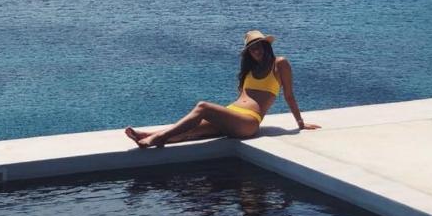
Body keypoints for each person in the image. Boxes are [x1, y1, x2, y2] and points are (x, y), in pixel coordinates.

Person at [125, 30, 320, 148]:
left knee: (203, 106)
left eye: (259, 46)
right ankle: (147, 135)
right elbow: (241, 97)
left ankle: (156, 138)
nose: (257, 51)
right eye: (252, 49)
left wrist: (300, 123)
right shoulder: (249, 70)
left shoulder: (280, 64)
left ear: (266, 46)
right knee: (191, 131)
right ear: (248, 53)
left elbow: (289, 95)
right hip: (233, 115)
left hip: (248, 122)